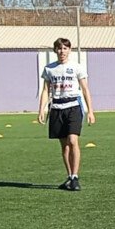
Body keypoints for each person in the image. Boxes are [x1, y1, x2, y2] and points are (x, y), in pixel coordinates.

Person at [37, 37, 95, 191]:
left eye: (65, 48)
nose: (62, 51)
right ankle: (69, 177)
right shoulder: (49, 69)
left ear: (69, 50)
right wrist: (41, 110)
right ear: (55, 50)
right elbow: (45, 90)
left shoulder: (77, 67)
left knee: (73, 140)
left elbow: (85, 89)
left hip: (73, 107)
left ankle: (75, 176)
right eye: (59, 48)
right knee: (64, 146)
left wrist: (91, 111)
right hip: (56, 108)